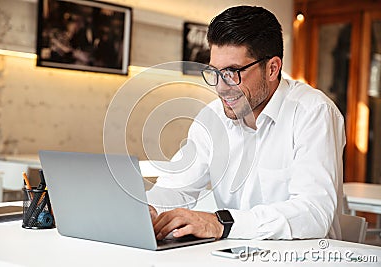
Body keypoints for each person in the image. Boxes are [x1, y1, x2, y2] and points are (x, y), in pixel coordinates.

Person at [146, 5, 346, 241]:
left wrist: (221, 223)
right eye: (215, 72)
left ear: (272, 68)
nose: (221, 87)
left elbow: (313, 214)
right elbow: (176, 187)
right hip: (231, 256)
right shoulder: (212, 119)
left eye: (232, 72)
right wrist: (148, 210)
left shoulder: (313, 113)